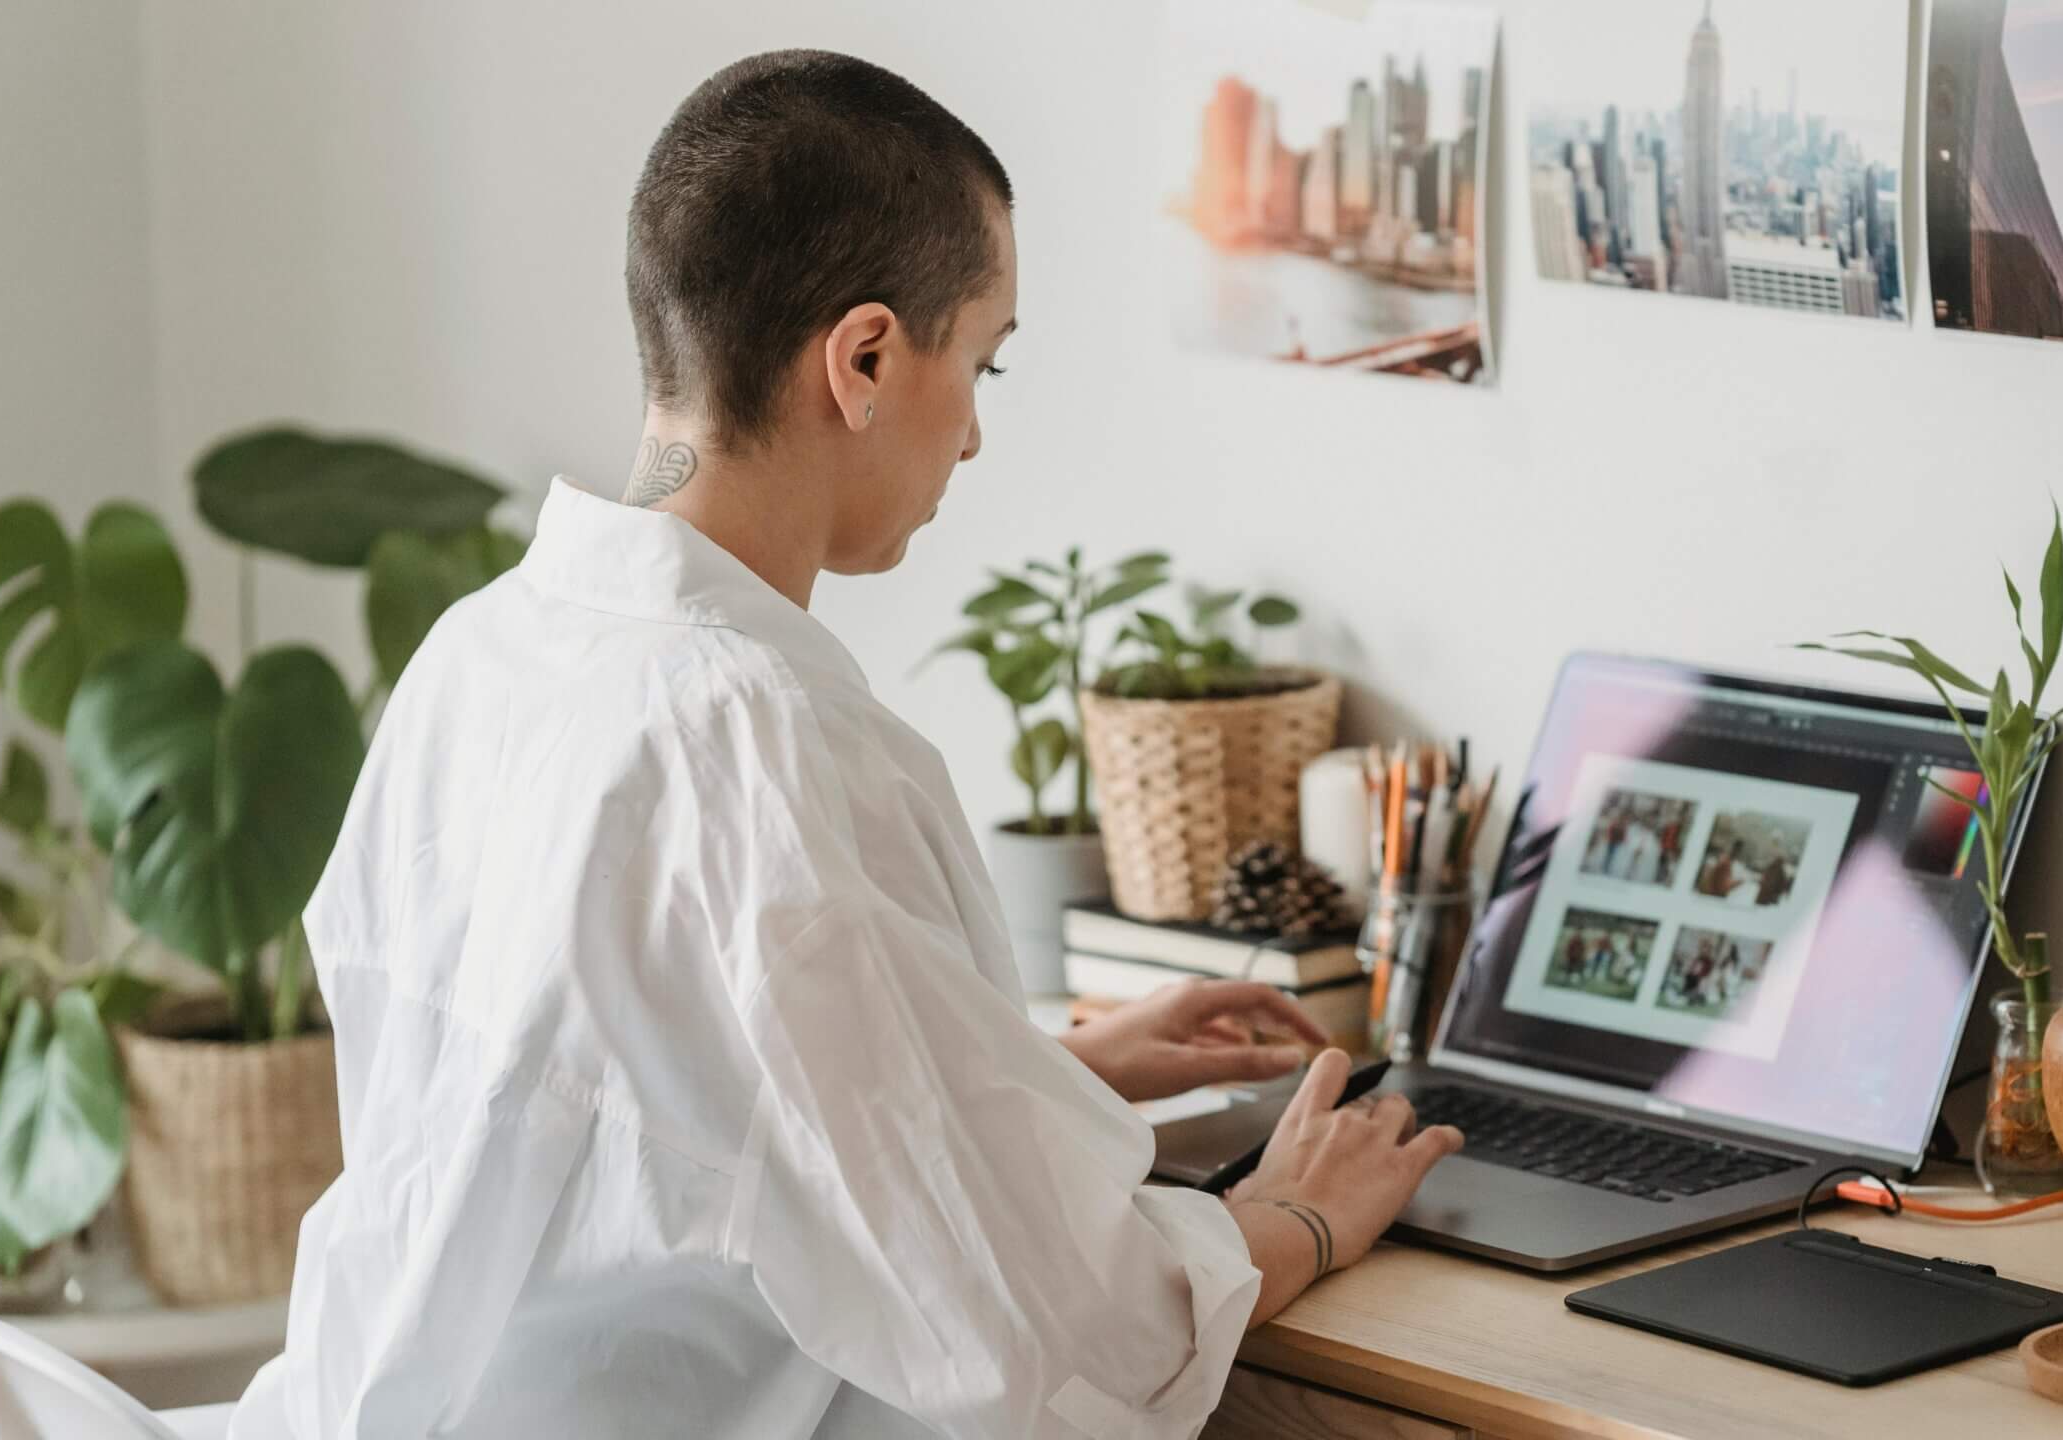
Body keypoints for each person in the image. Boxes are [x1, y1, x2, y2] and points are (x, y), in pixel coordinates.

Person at [228, 50, 1460, 1440]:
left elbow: (646, 1104)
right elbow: (1044, 1337)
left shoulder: (484, 656)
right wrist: (1291, 1216)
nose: (979, 434)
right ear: (865, 357)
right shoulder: (764, 742)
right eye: (981, 362)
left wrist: (1026, 1066)